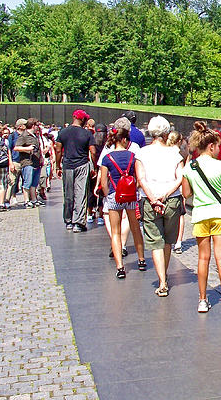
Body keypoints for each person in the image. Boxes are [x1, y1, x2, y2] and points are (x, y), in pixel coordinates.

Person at [182, 121, 221, 316]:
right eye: (218, 146)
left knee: (203, 258)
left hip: (200, 215)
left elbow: (186, 193)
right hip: (219, 216)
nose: (219, 149)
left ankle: (203, 300)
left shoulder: (190, 168)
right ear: (211, 146)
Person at [136, 116, 185, 296]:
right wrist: (165, 195)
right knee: (167, 241)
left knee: (155, 240)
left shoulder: (142, 153)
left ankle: (162, 281)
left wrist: (153, 197)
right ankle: (164, 275)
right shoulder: (175, 154)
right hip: (171, 200)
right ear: (166, 133)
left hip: (150, 200)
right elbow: (180, 178)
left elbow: (141, 179)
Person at [100, 125, 146, 279]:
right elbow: (139, 177)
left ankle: (120, 267)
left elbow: (104, 181)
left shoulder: (107, 158)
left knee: (115, 231)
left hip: (114, 195)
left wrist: (107, 195)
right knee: (135, 228)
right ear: (125, 140)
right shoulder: (133, 156)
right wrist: (136, 189)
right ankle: (141, 259)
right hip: (131, 195)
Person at [55, 109, 97, 232]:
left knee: (68, 194)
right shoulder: (87, 134)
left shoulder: (63, 132)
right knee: (80, 193)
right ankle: (78, 223)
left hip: (68, 165)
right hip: (82, 165)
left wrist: (57, 166)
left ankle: (68, 221)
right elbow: (93, 152)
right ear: (83, 120)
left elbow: (58, 150)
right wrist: (93, 166)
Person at [14, 117, 42, 208]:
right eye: (37, 125)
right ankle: (26, 200)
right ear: (33, 126)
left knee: (34, 183)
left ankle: (34, 199)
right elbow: (16, 148)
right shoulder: (24, 136)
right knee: (27, 182)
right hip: (27, 162)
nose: (38, 127)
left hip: (36, 162)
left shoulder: (35, 136)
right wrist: (27, 149)